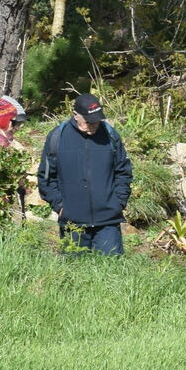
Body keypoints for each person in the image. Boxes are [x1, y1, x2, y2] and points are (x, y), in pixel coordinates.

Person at [37, 94, 132, 256]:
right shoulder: (57, 137)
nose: (94, 125)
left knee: (112, 268)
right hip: (72, 222)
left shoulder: (110, 135)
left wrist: (119, 201)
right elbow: (46, 176)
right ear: (76, 115)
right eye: (89, 121)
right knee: (75, 269)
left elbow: (123, 171)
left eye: (97, 120)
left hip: (108, 220)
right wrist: (60, 206)